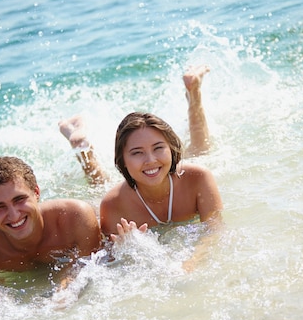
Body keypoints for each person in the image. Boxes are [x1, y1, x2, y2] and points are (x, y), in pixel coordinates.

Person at [59, 65, 222, 238]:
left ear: (171, 148)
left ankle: (194, 92)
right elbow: (109, 257)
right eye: (137, 152)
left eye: (159, 148)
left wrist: (190, 264)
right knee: (99, 185)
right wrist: (126, 249)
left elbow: (215, 233)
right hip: (124, 193)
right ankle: (82, 146)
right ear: (122, 160)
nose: (150, 159)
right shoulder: (113, 204)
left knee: (201, 152)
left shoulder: (198, 178)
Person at [0, 156, 102, 314]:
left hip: (82, 209)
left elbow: (89, 264)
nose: (14, 215)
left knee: (99, 186)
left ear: (36, 192)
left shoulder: (76, 217)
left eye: (19, 199)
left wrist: (68, 285)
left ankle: (83, 149)